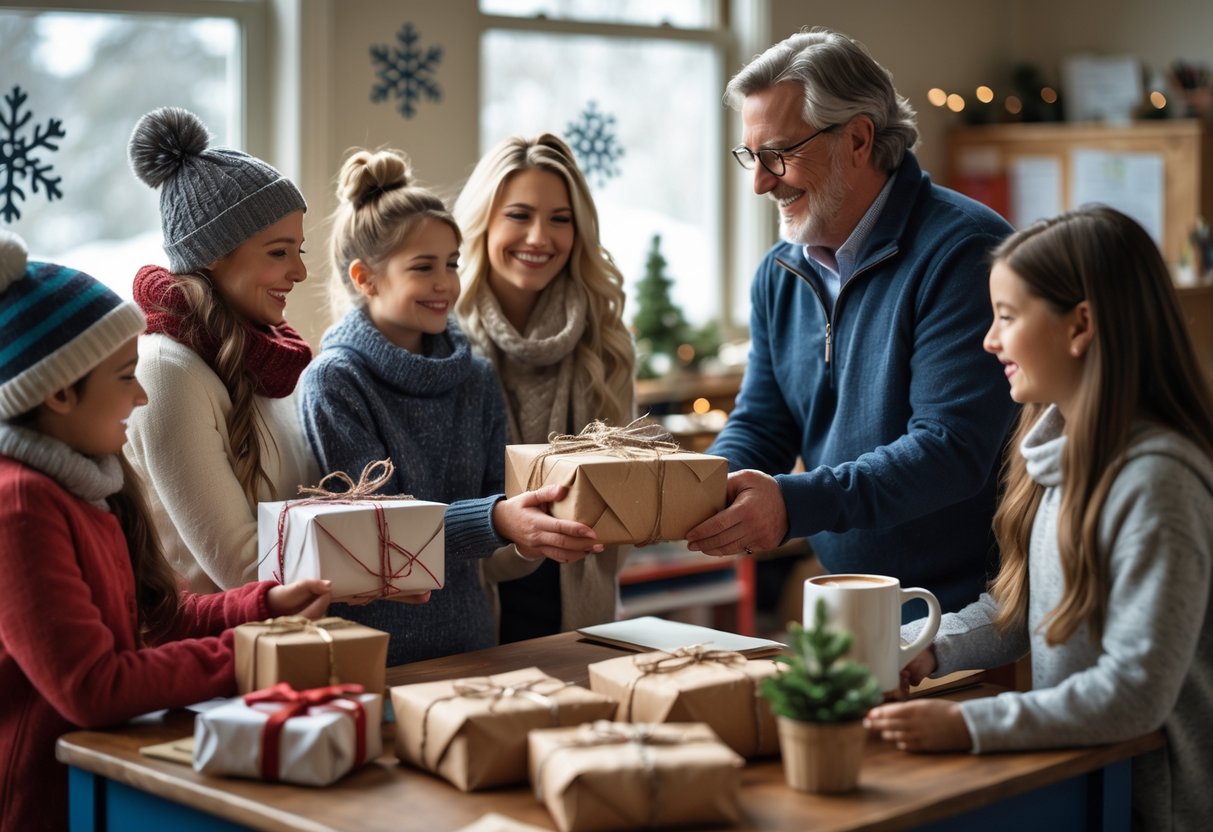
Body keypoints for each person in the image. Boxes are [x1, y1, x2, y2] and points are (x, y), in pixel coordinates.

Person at [865, 206, 1213, 830]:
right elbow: (1025, 612)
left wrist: (967, 724)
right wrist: (925, 650)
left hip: (1159, 809)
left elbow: (1134, 693)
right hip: (1090, 787)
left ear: (1080, 325)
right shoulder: (1057, 457)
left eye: (1006, 317)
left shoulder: (1156, 482)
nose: (988, 341)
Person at [0, 230, 332, 832]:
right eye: (126, 376)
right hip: (44, 801)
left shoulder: (85, 484)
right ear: (59, 391)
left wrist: (262, 605)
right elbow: (92, 686)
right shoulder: (19, 507)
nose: (144, 392)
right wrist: (251, 654)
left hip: (101, 778)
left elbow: (152, 617)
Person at [685, 29, 1017, 614]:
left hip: (973, 611)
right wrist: (694, 490)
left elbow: (948, 450)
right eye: (751, 157)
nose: (761, 181)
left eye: (779, 154)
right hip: (851, 599)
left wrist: (793, 505)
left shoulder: (966, 253)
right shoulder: (779, 272)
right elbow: (764, 424)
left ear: (858, 139)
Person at [298, 148, 604, 664]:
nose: (445, 283)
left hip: (474, 641)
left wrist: (527, 527)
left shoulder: (476, 376)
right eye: (423, 267)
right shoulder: (335, 383)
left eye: (451, 264)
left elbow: (495, 495)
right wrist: (500, 520)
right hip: (376, 656)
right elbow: (380, 534)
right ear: (364, 278)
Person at [124, 107, 319, 594]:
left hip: (290, 640)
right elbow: (246, 570)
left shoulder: (269, 360)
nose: (300, 273)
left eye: (300, 250)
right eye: (278, 252)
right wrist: (381, 569)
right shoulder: (166, 372)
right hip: (214, 657)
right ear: (213, 255)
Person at [452, 133, 636, 642]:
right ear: (483, 221)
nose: (539, 238)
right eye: (518, 215)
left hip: (577, 604)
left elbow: (620, 491)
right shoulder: (441, 338)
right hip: (469, 608)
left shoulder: (604, 340)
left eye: (560, 219)